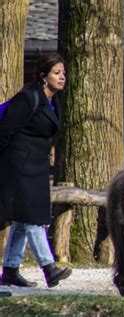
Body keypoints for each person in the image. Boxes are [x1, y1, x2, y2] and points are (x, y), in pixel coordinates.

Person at [0, 53, 72, 288]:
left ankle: (10, 270)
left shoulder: (54, 101)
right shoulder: (28, 98)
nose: (62, 77)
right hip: (19, 164)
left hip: (37, 165)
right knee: (32, 218)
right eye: (56, 73)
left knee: (23, 219)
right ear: (43, 77)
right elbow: (5, 129)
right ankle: (49, 267)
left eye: (63, 73)